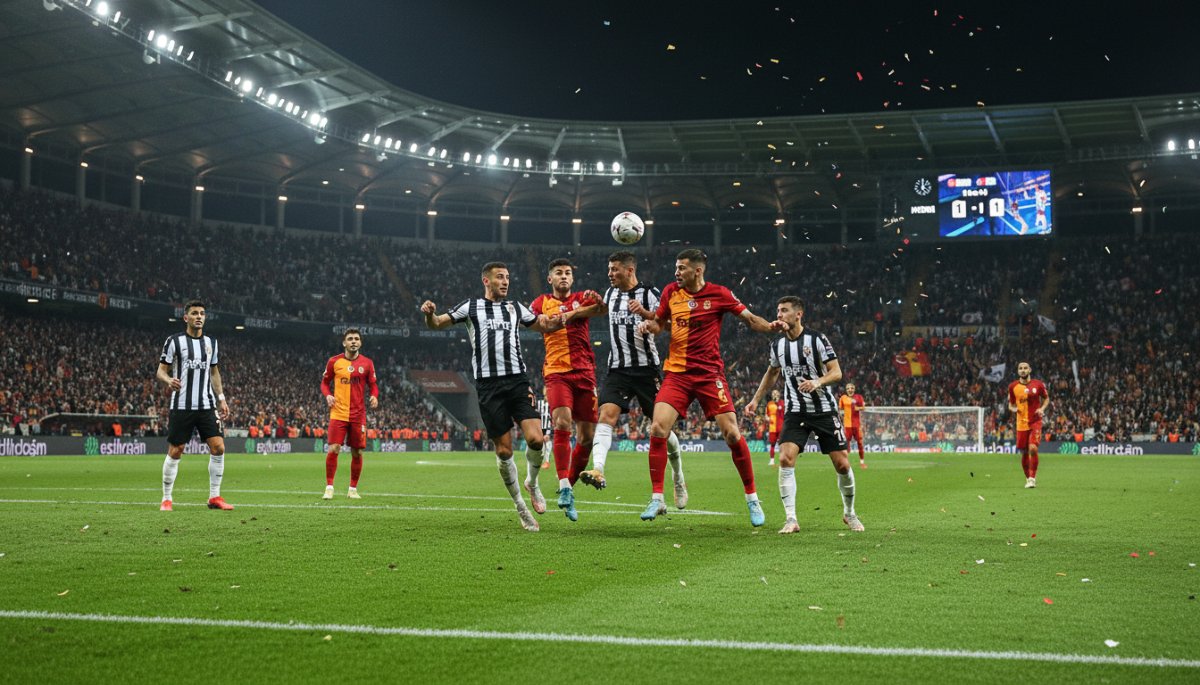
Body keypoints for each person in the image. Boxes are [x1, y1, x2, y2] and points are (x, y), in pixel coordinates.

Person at [629, 249, 785, 526]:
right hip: (677, 374)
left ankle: (752, 499)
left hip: (709, 374)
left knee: (732, 433)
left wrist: (771, 327)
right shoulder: (670, 292)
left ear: (698, 271)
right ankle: (657, 497)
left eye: (682, 268)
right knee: (657, 428)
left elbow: (750, 319)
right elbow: (660, 324)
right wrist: (648, 326)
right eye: (676, 267)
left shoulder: (719, 294)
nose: (676, 272)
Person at [421, 261, 564, 532]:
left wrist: (561, 320)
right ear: (486, 281)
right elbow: (437, 324)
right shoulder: (471, 307)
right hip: (489, 386)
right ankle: (521, 507)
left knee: (536, 439)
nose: (505, 281)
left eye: (507, 277)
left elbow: (541, 324)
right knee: (504, 450)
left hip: (518, 381)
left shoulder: (515, 307)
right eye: (499, 277)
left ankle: (532, 483)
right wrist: (430, 314)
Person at [745, 296, 864, 534]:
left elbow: (837, 372)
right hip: (796, 411)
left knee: (842, 464)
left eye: (784, 310)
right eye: (778, 311)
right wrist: (755, 400)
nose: (779, 315)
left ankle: (849, 513)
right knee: (785, 458)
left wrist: (817, 382)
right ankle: (791, 519)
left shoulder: (817, 339)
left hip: (824, 410)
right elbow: (772, 373)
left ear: (798, 314)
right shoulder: (777, 345)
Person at [579, 251, 687, 508]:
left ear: (629, 270)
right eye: (609, 269)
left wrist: (647, 315)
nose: (609, 273)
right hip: (617, 370)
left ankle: (678, 476)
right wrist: (593, 300)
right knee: (606, 416)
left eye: (614, 269)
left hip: (647, 370)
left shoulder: (650, 293)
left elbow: (671, 324)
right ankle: (598, 469)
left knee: (662, 428)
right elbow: (600, 310)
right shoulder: (610, 293)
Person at [530, 258, 603, 521]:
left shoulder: (582, 297)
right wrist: (548, 320)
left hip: (585, 373)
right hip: (557, 372)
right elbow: (535, 322)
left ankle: (569, 488)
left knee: (587, 437)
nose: (564, 276)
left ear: (572, 278)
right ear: (550, 279)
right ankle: (563, 485)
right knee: (562, 423)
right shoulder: (541, 302)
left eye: (568, 273)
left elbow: (602, 309)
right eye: (559, 273)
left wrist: (575, 312)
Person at [156, 299, 232, 512]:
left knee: (218, 447)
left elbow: (214, 372)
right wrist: (168, 380)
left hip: (206, 404)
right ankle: (166, 499)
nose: (199, 317)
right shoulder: (174, 341)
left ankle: (214, 496)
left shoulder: (211, 343)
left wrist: (221, 398)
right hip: (182, 405)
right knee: (176, 450)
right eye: (195, 313)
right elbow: (161, 371)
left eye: (202, 313)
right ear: (186, 317)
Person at [320, 328, 379, 500]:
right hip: (338, 413)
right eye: (350, 339)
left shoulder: (367, 363)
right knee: (334, 448)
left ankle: (352, 489)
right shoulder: (334, 361)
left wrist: (374, 396)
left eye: (356, 339)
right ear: (344, 343)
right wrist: (328, 395)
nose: (353, 341)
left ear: (360, 342)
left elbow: (373, 385)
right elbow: (324, 383)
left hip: (358, 415)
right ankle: (329, 487)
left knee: (357, 452)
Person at [1007, 361, 1050, 488]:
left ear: (1030, 370)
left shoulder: (1038, 384)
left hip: (1035, 421)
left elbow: (1046, 398)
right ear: (1018, 371)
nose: (1023, 370)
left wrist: (1042, 409)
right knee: (1024, 452)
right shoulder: (1013, 387)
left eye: (1025, 368)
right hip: (1021, 424)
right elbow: (1011, 404)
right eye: (1020, 368)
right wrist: (1013, 409)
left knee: (1033, 448)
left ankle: (1032, 478)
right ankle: (1028, 478)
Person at [840, 382, 867, 468]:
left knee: (860, 443)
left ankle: (862, 462)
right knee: (846, 444)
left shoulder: (859, 397)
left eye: (851, 388)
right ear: (846, 390)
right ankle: (846, 462)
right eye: (848, 388)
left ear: (854, 389)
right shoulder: (843, 398)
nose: (850, 390)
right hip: (847, 425)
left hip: (856, 425)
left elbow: (863, 407)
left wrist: (857, 408)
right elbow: (840, 408)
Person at [765, 389, 784, 467]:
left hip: (781, 427)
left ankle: (782, 460)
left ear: (779, 394)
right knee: (772, 444)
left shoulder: (782, 403)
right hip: (772, 427)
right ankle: (772, 460)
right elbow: (766, 415)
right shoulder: (769, 404)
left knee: (781, 444)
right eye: (773, 393)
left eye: (776, 393)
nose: (775, 394)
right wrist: (767, 418)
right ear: (771, 395)